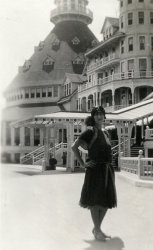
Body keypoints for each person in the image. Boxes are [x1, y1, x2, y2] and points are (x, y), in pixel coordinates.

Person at [71, 106, 117, 241]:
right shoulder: (90, 132)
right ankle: (97, 230)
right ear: (93, 117)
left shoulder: (106, 133)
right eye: (96, 114)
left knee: (106, 201)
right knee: (95, 202)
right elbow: (75, 147)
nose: (99, 116)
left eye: (101, 114)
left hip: (108, 170)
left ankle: (97, 228)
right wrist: (83, 163)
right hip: (95, 170)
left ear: (104, 116)